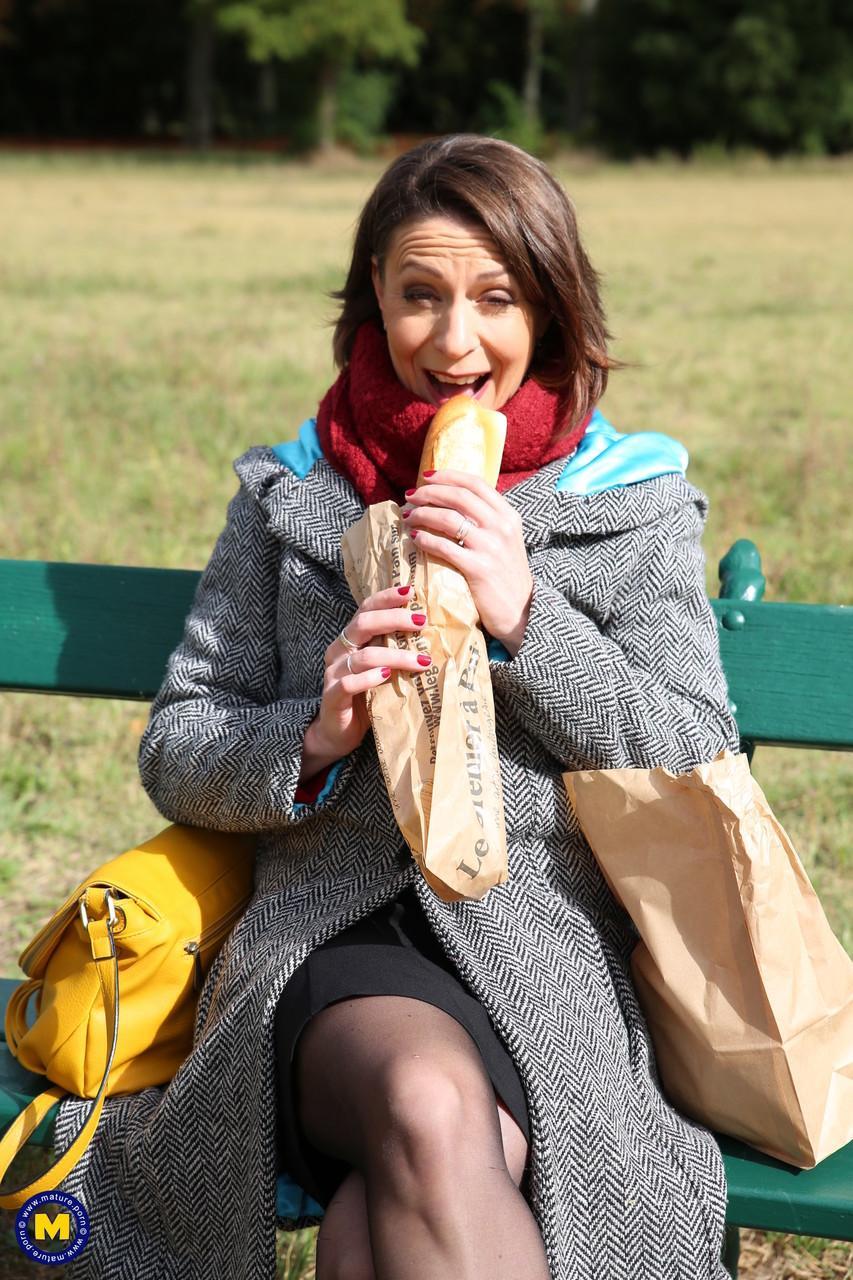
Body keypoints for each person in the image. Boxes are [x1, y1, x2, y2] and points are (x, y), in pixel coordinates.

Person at [53, 135, 740, 1280]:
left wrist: (531, 618)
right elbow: (181, 744)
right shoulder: (293, 493)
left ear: (551, 307)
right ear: (373, 289)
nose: (454, 340)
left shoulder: (627, 500)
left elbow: (693, 748)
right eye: (419, 295)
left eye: (494, 299)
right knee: (423, 1100)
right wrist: (312, 731)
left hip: (549, 954)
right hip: (326, 935)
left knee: (399, 1196)